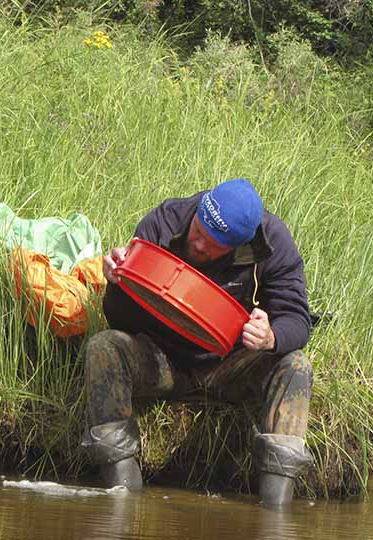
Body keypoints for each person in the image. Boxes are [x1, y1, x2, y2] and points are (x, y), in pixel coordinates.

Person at [81, 178, 314, 506]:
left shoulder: (273, 243)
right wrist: (119, 281)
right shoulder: (166, 221)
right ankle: (122, 490)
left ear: (239, 245)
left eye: (214, 244)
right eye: (199, 232)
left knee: (296, 366)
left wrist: (271, 336)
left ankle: (275, 507)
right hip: (165, 360)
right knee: (105, 346)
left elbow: (297, 319)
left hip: (231, 365)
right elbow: (120, 319)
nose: (200, 245)